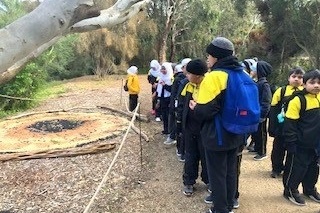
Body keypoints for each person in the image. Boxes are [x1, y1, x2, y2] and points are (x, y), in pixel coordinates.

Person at [189, 37, 245, 213]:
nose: (207, 59)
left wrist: (195, 107)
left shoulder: (214, 77)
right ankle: (229, 205)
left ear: (217, 57)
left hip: (217, 134)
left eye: (210, 55)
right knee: (230, 171)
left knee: (217, 174)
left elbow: (205, 112)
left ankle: (220, 209)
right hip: (236, 132)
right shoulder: (240, 74)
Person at [282, 69, 320, 206]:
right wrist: (291, 143)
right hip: (300, 144)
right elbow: (290, 124)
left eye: (319, 83)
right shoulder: (298, 100)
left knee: (313, 169)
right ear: (304, 84)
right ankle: (290, 190)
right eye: (312, 82)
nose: (316, 85)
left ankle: (309, 189)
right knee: (296, 169)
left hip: (315, 144)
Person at [178, 59, 209, 196]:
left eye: (189, 73)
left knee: (206, 155)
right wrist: (180, 120)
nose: (186, 75)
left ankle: (208, 180)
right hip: (190, 127)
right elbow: (181, 103)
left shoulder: (208, 86)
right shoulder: (188, 85)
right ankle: (189, 181)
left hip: (205, 127)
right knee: (190, 154)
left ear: (197, 75)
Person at [268, 67, 305, 178]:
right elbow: (273, 110)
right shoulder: (281, 91)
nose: (296, 79)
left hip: (296, 128)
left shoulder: (304, 92)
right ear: (289, 78)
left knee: (293, 150)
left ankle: (289, 170)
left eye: (300, 77)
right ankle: (276, 168)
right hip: (281, 126)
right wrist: (272, 128)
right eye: (294, 76)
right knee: (278, 149)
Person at [250, 60, 272, 161]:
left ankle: (262, 152)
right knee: (256, 133)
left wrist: (263, 115)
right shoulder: (258, 82)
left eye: (254, 69)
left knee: (261, 133)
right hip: (255, 113)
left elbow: (266, 101)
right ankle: (257, 148)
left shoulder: (264, 84)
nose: (252, 70)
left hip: (260, 114)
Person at [164, 63, 185, 145]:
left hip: (176, 102)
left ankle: (173, 136)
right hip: (177, 102)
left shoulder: (177, 79)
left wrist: (173, 103)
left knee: (174, 120)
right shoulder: (181, 78)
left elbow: (175, 92)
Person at [175, 58, 191, 161]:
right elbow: (179, 98)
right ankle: (182, 152)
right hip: (184, 112)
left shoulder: (186, 82)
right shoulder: (184, 82)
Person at [156, 62, 173, 135]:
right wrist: (158, 99)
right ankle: (165, 129)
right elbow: (159, 89)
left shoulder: (171, 78)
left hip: (168, 99)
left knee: (168, 115)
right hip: (162, 98)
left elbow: (172, 89)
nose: (163, 71)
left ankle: (170, 130)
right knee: (164, 114)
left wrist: (165, 85)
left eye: (164, 69)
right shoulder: (161, 77)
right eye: (162, 69)